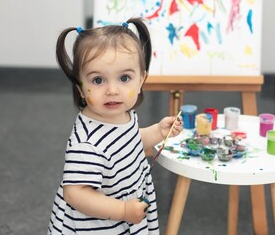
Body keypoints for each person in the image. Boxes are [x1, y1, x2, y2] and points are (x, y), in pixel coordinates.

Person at [48, 18, 183, 234]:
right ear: (81, 88)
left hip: (123, 213)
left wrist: (158, 131)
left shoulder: (123, 115)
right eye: (98, 80)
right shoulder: (87, 144)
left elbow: (129, 141)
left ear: (141, 80)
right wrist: (122, 210)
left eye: (124, 78)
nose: (112, 90)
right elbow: (75, 193)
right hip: (97, 225)